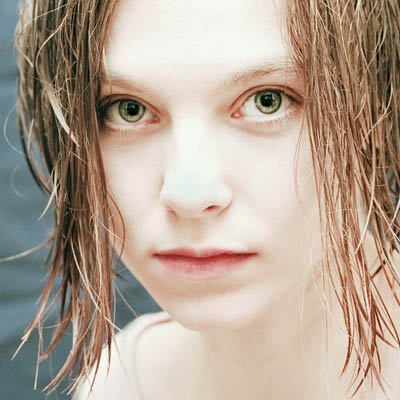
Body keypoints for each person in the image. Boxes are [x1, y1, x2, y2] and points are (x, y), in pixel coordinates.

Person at [14, 0, 400, 398]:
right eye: (127, 110)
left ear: (377, 113)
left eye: (268, 100)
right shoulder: (121, 382)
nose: (188, 195)